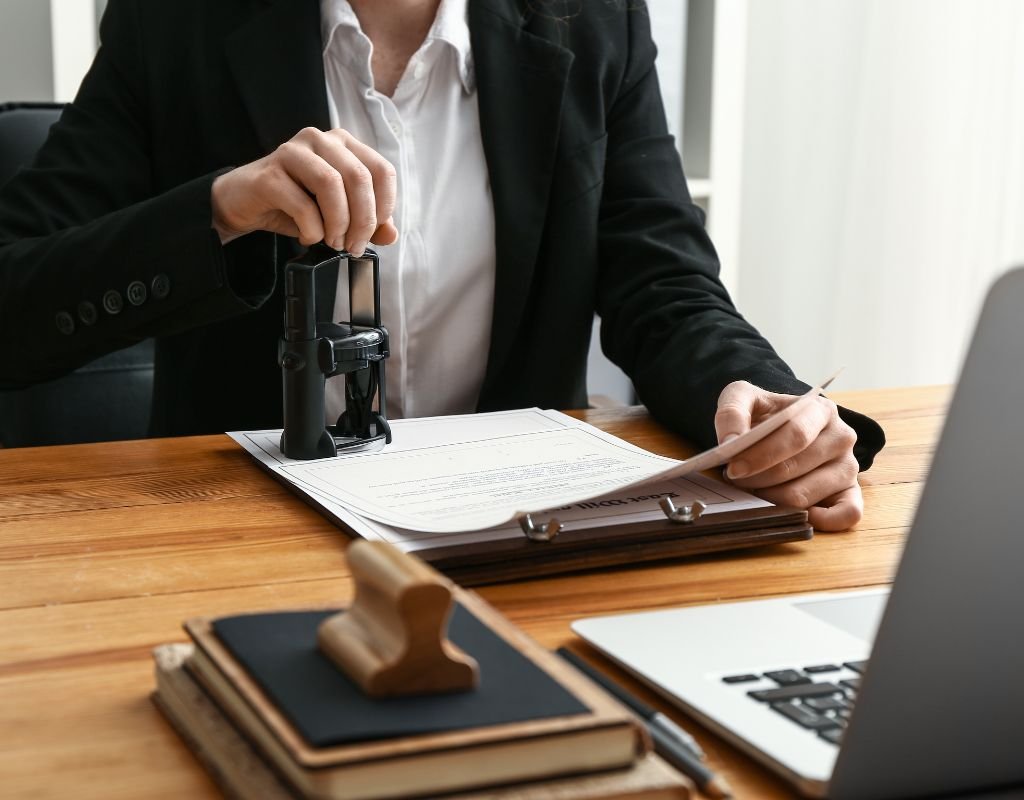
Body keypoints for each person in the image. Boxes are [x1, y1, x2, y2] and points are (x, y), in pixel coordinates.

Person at [0, 0, 883, 530]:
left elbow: (665, 280)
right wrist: (220, 209)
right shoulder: (178, 20)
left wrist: (757, 402)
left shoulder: (592, 14)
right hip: (240, 538)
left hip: (515, 534)